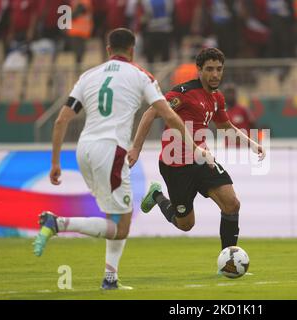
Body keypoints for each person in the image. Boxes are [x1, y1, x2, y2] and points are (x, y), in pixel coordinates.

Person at [33, 28, 211, 290]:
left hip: (84, 150)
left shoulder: (88, 76)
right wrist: (195, 147)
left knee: (113, 218)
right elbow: (168, 115)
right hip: (112, 151)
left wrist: (55, 162)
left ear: (108, 50)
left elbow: (61, 120)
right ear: (133, 49)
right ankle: (57, 223)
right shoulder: (141, 76)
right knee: (121, 226)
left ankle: (110, 279)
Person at [127, 48, 265, 254]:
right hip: (175, 165)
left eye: (219, 69)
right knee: (185, 224)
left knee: (232, 203)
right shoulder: (183, 94)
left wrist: (252, 143)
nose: (215, 74)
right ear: (199, 70)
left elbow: (225, 126)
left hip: (202, 160)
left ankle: (228, 260)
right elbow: (150, 113)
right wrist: (136, 149)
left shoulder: (217, 98)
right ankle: (157, 196)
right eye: (210, 69)